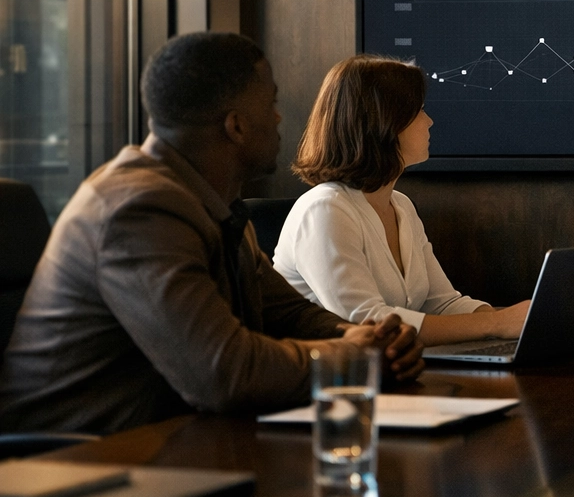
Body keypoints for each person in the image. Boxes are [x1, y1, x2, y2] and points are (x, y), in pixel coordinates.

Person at [0, 33, 424, 435]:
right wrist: (356, 357)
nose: (279, 117)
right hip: (73, 467)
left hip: (164, 449)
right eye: (271, 103)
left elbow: (289, 314)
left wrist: (359, 336)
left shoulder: (207, 202)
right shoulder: (139, 210)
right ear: (236, 127)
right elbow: (226, 371)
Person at [275, 55, 530, 346]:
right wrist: (495, 323)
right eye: (419, 110)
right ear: (383, 122)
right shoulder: (324, 209)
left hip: (392, 371)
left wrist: (518, 319)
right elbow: (370, 323)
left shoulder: (401, 206)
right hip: (332, 382)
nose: (429, 120)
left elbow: (442, 304)